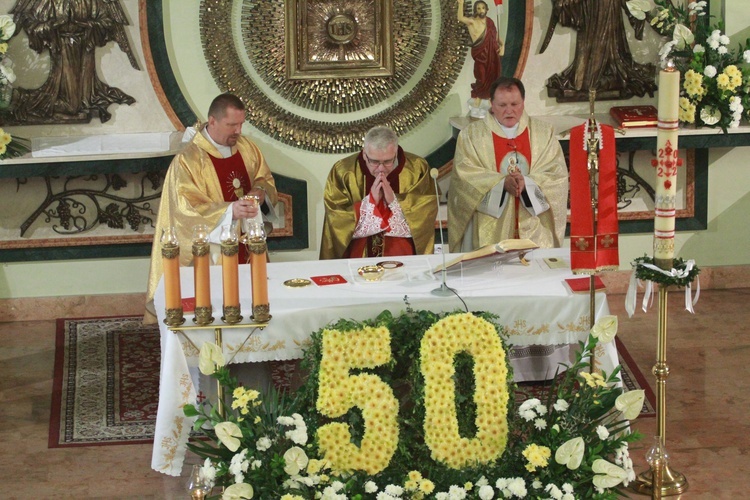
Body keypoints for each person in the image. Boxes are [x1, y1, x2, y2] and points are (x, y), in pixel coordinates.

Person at [145, 93, 277, 321]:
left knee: (253, 305)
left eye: (241, 124)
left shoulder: (247, 148)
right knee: (216, 308)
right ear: (212, 121)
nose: (238, 131)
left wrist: (261, 192)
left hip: (247, 242)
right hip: (212, 252)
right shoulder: (189, 160)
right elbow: (184, 210)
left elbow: (264, 178)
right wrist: (229, 212)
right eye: (232, 125)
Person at [448, 77, 568, 251]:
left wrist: (526, 184)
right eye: (502, 105)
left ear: (523, 102)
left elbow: (556, 175)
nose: (509, 111)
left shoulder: (544, 133)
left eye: (515, 104)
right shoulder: (471, 135)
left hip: (534, 226)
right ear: (492, 104)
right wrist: (502, 183)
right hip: (490, 227)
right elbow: (464, 177)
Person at [320, 126, 437, 259]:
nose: (381, 169)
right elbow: (335, 217)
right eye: (374, 162)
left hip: (403, 256)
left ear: (396, 152)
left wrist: (395, 201)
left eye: (387, 161)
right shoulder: (343, 171)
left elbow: (427, 211)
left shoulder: (417, 169)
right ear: (364, 154)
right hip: (358, 257)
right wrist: (368, 204)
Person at [457, 0, 503, 100]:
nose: (481, 10)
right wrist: (461, 4)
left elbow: (495, 36)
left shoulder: (490, 22)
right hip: (480, 56)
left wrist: (502, 45)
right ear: (475, 10)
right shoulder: (472, 21)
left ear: (486, 9)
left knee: (493, 79)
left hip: (492, 56)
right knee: (481, 78)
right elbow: (460, 18)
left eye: (483, 8)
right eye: (478, 8)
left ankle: (490, 101)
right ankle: (477, 99)